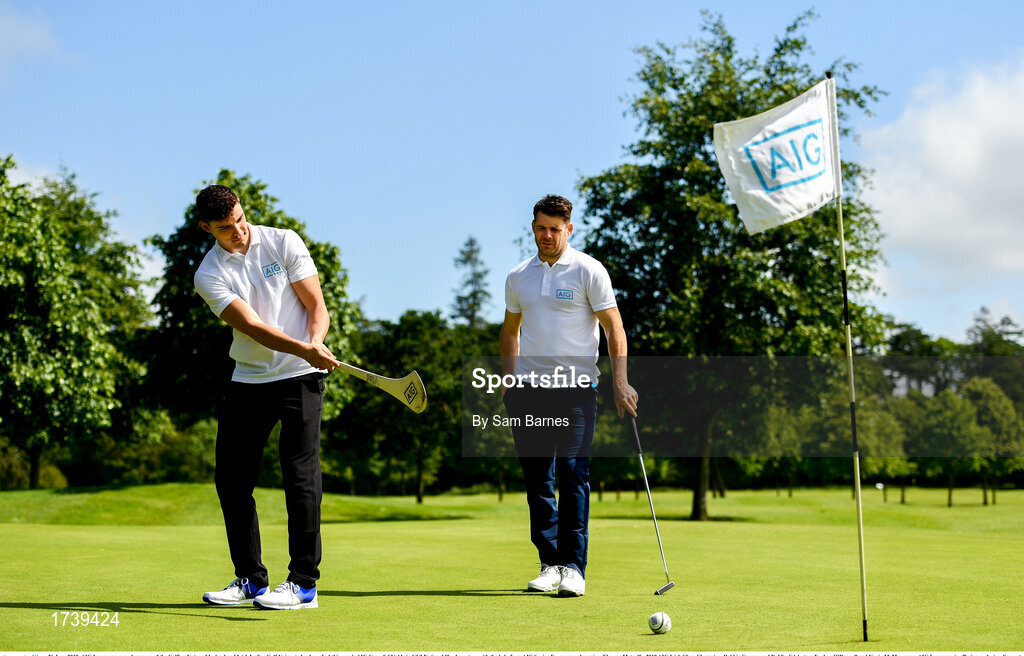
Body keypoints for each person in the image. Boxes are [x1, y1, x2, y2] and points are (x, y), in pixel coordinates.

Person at [192, 184, 342, 610]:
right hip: (249, 379)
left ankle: (303, 584)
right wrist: (305, 348)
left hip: (300, 378)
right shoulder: (208, 274)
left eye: (240, 219)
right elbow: (254, 328)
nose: (238, 231)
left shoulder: (283, 241)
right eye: (226, 227)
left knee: (300, 476)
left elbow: (316, 306)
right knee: (232, 480)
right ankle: (251, 580)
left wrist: (315, 344)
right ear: (206, 228)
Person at [500, 194, 638, 597]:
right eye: (542, 228)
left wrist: (620, 382)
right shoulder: (518, 276)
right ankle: (550, 565)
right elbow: (510, 332)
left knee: (573, 474)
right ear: (533, 228)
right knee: (538, 480)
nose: (548, 235)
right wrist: (508, 382)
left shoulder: (588, 270)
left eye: (555, 229)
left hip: (576, 392)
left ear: (569, 229)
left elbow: (614, 329)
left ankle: (574, 568)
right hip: (529, 392)